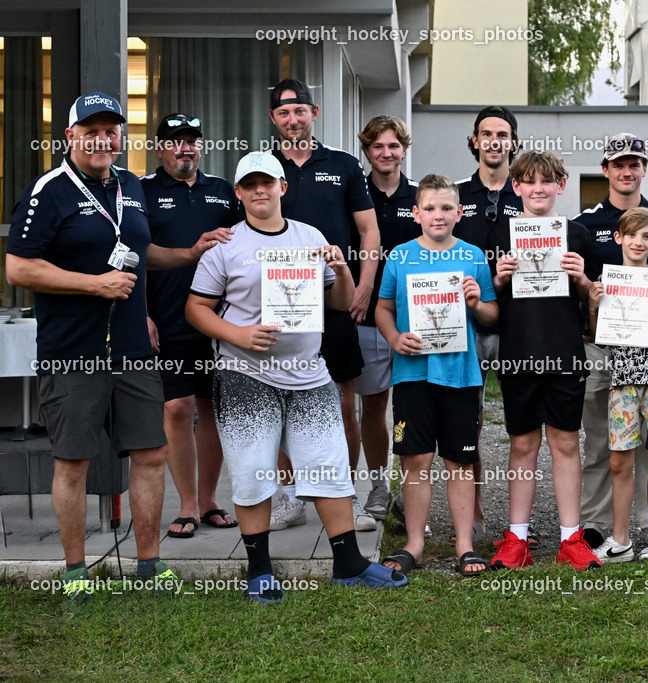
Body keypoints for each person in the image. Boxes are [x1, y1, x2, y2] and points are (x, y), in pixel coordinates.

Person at [6, 92, 226, 602]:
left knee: (150, 454)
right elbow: (18, 268)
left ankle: (148, 566)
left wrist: (189, 253)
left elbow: (140, 253)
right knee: (75, 460)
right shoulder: (49, 190)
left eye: (112, 130)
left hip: (131, 347)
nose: (104, 139)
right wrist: (94, 284)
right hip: (73, 350)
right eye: (92, 130)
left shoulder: (129, 185)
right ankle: (76, 572)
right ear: (71, 137)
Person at [185, 152, 407, 602]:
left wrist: (341, 265)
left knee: (328, 466)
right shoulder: (228, 244)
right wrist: (239, 334)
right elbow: (195, 308)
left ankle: (348, 563)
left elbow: (341, 302)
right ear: (239, 193)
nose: (259, 191)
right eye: (250, 185)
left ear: (283, 187)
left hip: (307, 372)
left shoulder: (310, 237)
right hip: (244, 372)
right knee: (252, 471)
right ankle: (260, 570)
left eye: (267, 182)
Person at [267, 78, 379, 532]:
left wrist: (364, 288)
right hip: (278, 303)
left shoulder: (344, 165)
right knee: (277, 400)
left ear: (314, 113)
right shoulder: (261, 167)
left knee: (342, 401)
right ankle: (289, 498)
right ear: (274, 119)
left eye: (300, 111)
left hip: (335, 300)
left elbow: (369, 232)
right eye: (283, 113)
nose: (293, 119)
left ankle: (344, 495)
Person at [376, 174, 498, 578]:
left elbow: (492, 317)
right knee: (416, 459)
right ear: (416, 214)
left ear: (459, 213)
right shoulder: (399, 256)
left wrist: (478, 303)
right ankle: (415, 543)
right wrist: (394, 338)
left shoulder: (474, 256)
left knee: (460, 461)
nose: (438, 215)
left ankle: (464, 543)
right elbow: (383, 308)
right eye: (429, 208)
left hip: (460, 375)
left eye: (447, 207)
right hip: (413, 373)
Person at [485, 150, 601, 570]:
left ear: (560, 186)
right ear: (516, 187)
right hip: (518, 353)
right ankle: (517, 536)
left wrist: (583, 278)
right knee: (521, 444)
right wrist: (498, 277)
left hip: (565, 354)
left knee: (566, 443)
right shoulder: (501, 233)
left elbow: (597, 300)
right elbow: (488, 299)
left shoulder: (579, 235)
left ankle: (572, 537)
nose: (538, 188)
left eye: (547, 181)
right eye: (529, 182)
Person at [142, 113, 244, 539]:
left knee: (213, 409)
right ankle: (185, 505)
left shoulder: (222, 192)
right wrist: (140, 313)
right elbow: (134, 252)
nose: (186, 148)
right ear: (160, 147)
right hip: (167, 320)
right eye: (176, 141)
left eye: (193, 141)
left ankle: (208, 500)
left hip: (219, 322)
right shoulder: (141, 190)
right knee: (177, 408)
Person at [574, 132, 648, 555]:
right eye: (618, 164)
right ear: (606, 170)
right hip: (601, 347)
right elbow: (579, 289)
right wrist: (587, 291)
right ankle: (595, 523)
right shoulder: (586, 222)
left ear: (644, 169)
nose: (627, 171)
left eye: (635, 164)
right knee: (600, 440)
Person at [588, 207, 648, 569]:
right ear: (618, 238)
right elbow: (600, 336)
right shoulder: (607, 279)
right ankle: (621, 541)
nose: (638, 242)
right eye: (631, 235)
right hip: (621, 380)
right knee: (619, 461)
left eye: (647, 236)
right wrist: (594, 305)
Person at [441, 105, 524, 542]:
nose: (494, 141)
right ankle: (473, 518)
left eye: (502, 134)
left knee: (519, 425)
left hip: (517, 324)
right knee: (467, 422)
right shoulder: (455, 197)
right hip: (462, 324)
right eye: (486, 134)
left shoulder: (528, 195)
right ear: (475, 141)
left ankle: (518, 524)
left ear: (513, 142)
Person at [355, 115, 422, 523]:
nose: (386, 153)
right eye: (378, 146)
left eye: (393, 145)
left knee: (414, 408)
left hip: (416, 318)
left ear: (404, 149)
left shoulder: (418, 197)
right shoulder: (353, 192)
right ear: (367, 150)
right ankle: (379, 487)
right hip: (366, 318)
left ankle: (412, 494)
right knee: (374, 406)